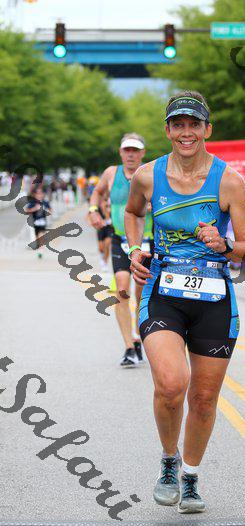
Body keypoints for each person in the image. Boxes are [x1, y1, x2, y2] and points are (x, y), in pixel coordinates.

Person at [124, 91, 245, 513]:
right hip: (163, 291)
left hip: (213, 298)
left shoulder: (229, 181)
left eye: (194, 125)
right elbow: (133, 213)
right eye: (178, 125)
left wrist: (226, 245)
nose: (186, 133)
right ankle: (169, 461)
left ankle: (191, 476)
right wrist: (134, 249)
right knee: (171, 384)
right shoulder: (147, 176)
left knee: (203, 398)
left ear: (207, 130)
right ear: (167, 130)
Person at [88, 133, 149, 367]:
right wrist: (93, 210)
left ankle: (139, 337)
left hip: (146, 241)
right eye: (127, 150)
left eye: (135, 150)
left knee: (142, 294)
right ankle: (129, 347)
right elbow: (97, 192)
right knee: (122, 289)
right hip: (119, 239)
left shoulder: (150, 173)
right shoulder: (111, 173)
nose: (131, 154)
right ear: (121, 152)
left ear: (143, 153)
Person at [26, 177, 51, 259]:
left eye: (41, 194)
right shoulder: (33, 202)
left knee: (41, 236)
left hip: (43, 222)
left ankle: (40, 251)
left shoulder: (45, 202)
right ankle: (39, 248)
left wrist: (46, 210)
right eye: (38, 194)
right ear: (35, 195)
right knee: (38, 237)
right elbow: (27, 210)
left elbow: (50, 210)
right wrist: (34, 209)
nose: (40, 195)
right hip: (35, 222)